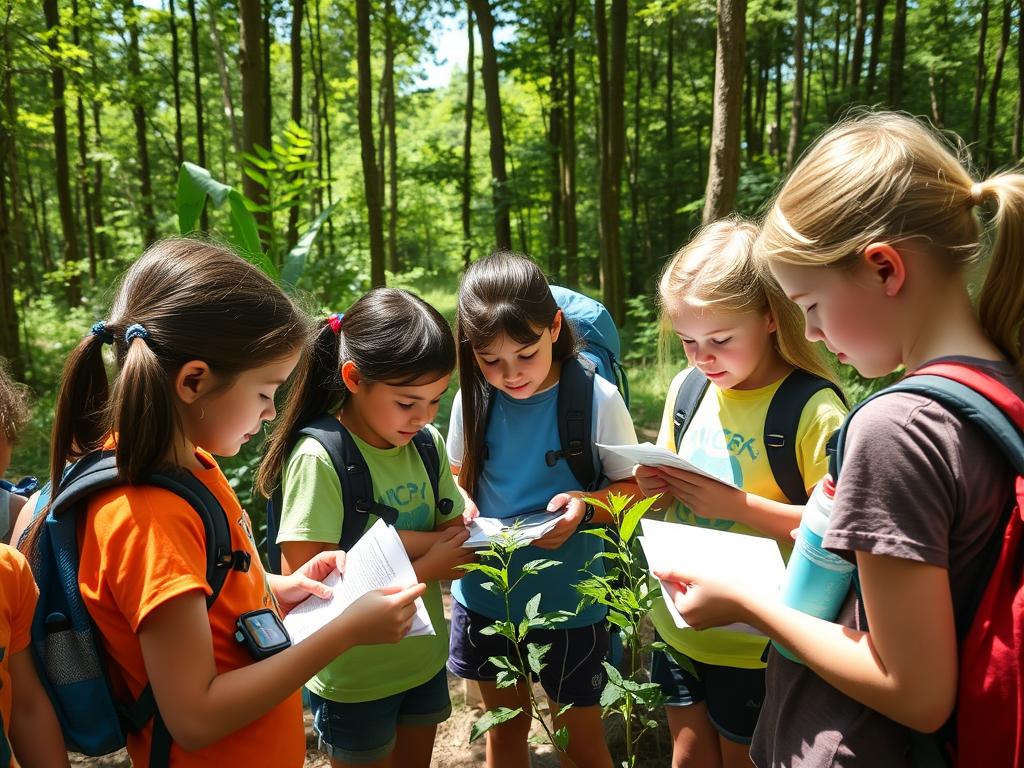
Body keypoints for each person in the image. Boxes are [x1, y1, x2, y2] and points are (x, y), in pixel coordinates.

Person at [656, 113, 1024, 765]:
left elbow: (913, 691)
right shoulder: (1002, 382)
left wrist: (748, 605)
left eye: (813, 306)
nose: (815, 335)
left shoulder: (897, 429)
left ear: (884, 268)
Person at [26, 238, 425, 767]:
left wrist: (278, 591)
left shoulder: (192, 463)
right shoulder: (148, 519)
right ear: (194, 381)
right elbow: (196, 716)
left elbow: (206, 603)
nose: (270, 413)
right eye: (265, 393)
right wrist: (345, 633)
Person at [636, 217, 846, 768]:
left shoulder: (813, 410)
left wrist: (738, 507)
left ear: (772, 318)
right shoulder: (688, 390)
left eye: (721, 341)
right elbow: (667, 478)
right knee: (686, 757)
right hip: (678, 624)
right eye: (687, 342)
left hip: (757, 642)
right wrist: (651, 488)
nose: (703, 358)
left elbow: (840, 532)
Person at [257, 288, 472, 768]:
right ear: (354, 378)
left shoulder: (427, 444)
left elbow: (453, 532)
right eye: (407, 402)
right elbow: (310, 585)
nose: (424, 417)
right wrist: (427, 562)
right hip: (353, 676)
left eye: (436, 400)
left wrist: (442, 545)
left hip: (420, 661)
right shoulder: (320, 458)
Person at [447, 250, 639, 768]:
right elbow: (458, 475)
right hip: (487, 597)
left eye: (526, 354)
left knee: (580, 740)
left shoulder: (596, 398)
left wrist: (586, 508)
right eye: (491, 360)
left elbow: (636, 488)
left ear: (555, 327)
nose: (510, 374)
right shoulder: (472, 397)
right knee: (504, 735)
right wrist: (461, 504)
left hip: (572, 600)